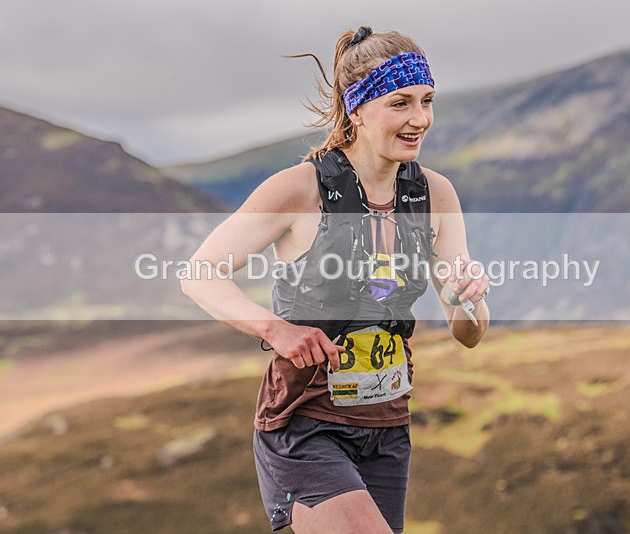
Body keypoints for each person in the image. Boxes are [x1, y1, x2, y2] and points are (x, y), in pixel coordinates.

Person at [181, 26, 489, 534]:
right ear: (357, 109)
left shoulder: (436, 193)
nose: (420, 119)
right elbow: (199, 274)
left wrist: (467, 299)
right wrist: (276, 330)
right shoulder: (299, 189)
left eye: (428, 101)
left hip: (388, 426)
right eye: (400, 104)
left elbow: (469, 334)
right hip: (305, 426)